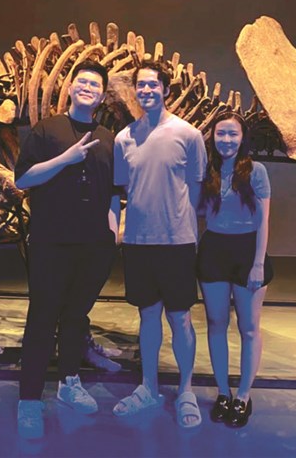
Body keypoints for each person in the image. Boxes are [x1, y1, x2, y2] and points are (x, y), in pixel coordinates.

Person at [14, 60, 120, 439]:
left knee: (76, 315)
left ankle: (69, 382)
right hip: (51, 241)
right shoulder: (46, 130)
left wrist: (112, 233)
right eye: (83, 82)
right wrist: (66, 159)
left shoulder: (109, 139)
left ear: (102, 95)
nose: (88, 88)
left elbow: (114, 191)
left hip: (94, 245)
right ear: (71, 87)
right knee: (43, 316)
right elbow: (22, 179)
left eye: (95, 84)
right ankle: (29, 399)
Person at [112, 61, 207, 428]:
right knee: (147, 315)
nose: (147, 91)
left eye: (153, 85)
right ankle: (148, 387)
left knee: (180, 317)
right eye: (141, 85)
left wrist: (180, 226)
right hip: (138, 242)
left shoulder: (189, 135)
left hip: (176, 241)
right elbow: (124, 189)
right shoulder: (124, 138)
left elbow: (195, 189)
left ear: (166, 89)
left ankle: (186, 390)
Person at [197, 111, 272, 428]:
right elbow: (200, 210)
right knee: (216, 323)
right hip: (214, 250)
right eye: (221, 133)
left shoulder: (256, 171)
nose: (226, 140)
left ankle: (243, 395)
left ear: (242, 139)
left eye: (232, 134)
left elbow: (263, 221)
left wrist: (258, 264)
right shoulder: (208, 170)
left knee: (249, 327)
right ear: (213, 137)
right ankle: (223, 393)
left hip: (247, 251)